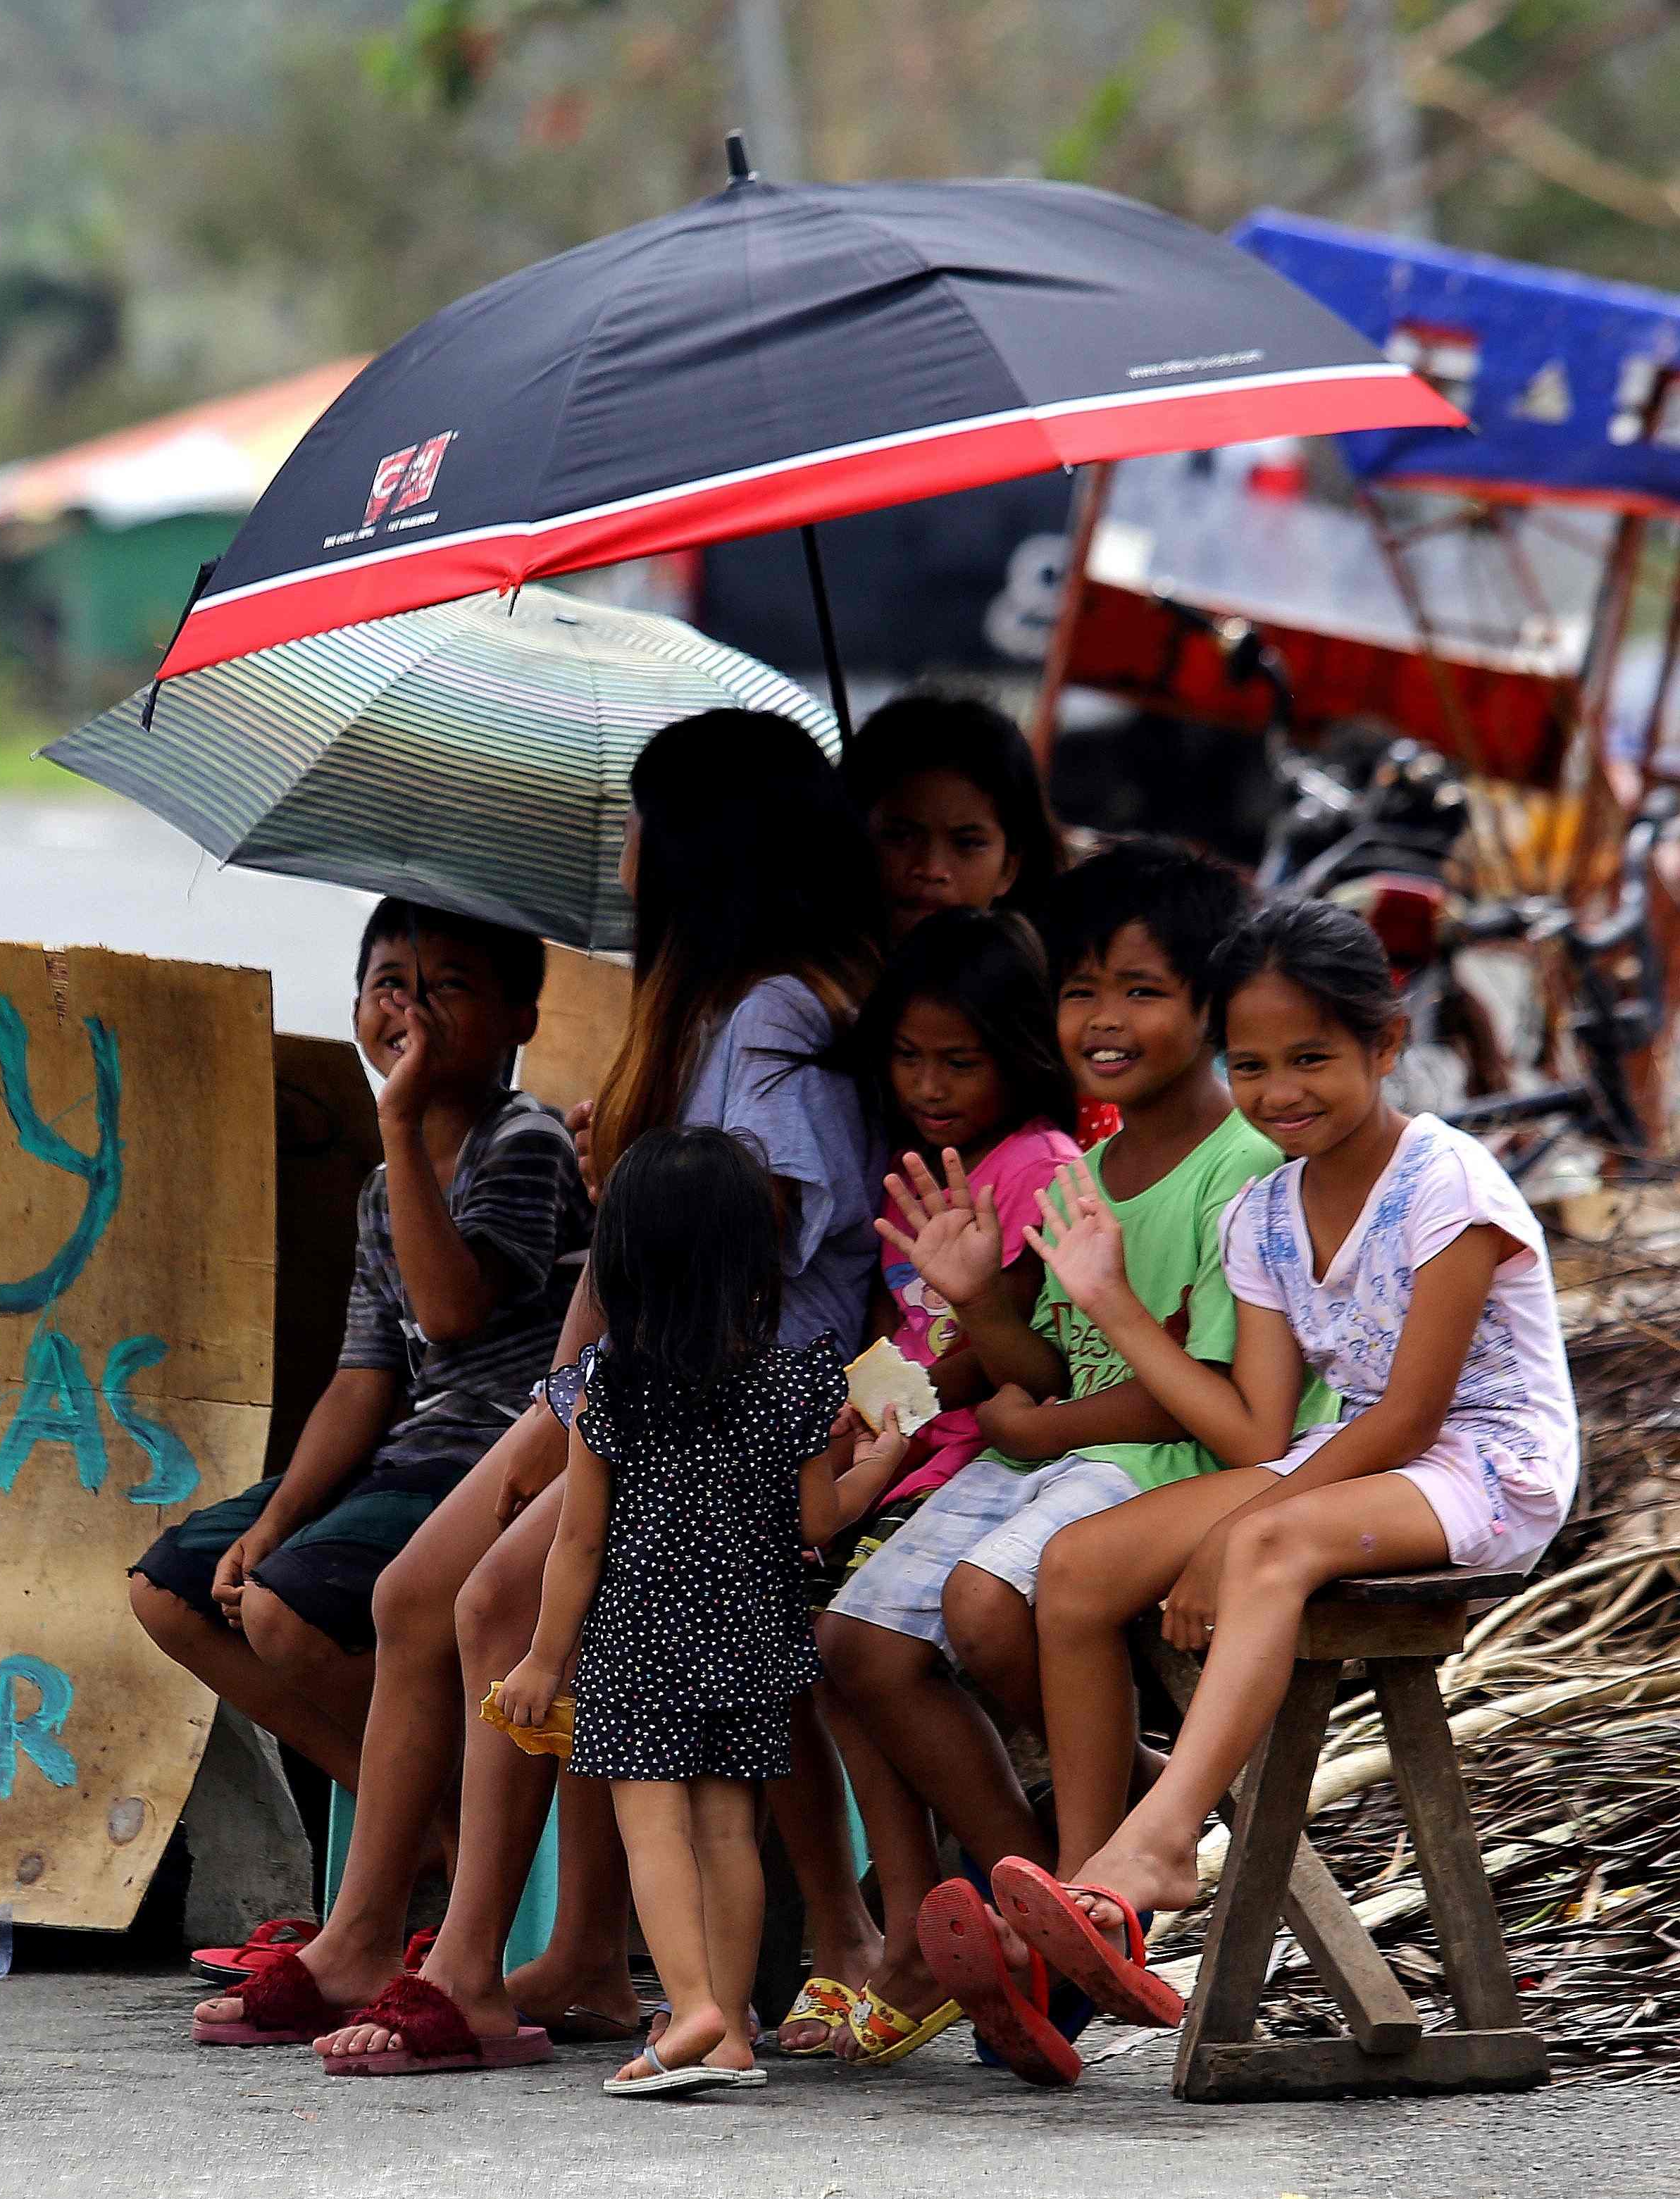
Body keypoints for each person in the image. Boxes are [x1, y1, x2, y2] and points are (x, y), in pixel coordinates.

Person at [199, 706, 887, 2072]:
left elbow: (747, 1244)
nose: (625, 848)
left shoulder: (772, 1019)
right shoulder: (697, 1017)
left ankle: (469, 1972)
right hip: (631, 1378)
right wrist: (566, 1388)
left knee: (502, 1605)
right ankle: (417, 1945)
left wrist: (625, 1228)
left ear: (699, 849)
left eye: (646, 819)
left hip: (725, 1408)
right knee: (412, 1597)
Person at [989, 897, 1581, 2033]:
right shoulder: (1261, 1210)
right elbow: (1259, 1430)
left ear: (1385, 1043)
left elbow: (1411, 1413)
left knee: (1263, 1536)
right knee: (1074, 1566)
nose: (1279, 1091)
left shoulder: (1445, 1183)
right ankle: (1089, 1898)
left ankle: (1159, 1848)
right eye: (1250, 1065)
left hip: (1484, 1459)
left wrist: (1224, 1536)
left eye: (1311, 1057)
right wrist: (1109, 1301)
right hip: (1343, 1454)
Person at [816, 837, 1298, 2079]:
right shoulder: (1084, 1168)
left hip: (1158, 1465)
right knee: (855, 1642)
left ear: (1210, 1003)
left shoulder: (1237, 1170)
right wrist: (977, 1306)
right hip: (1067, 1455)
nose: (1103, 1017)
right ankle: (1040, 1898)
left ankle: (1081, 1886)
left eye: (1141, 989)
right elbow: (1044, 1359)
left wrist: (1037, 1422)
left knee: (983, 1605)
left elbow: (1202, 1391)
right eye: (1080, 990)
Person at [130, 901, 587, 1803]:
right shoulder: (386, 1185)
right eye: (390, 987)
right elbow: (360, 1379)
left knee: (284, 1612)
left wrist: (398, 1128)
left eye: (448, 989)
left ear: (519, 1022)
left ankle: (458, 1816)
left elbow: (451, 1309)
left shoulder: (525, 1141)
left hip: (491, 1459)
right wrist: (275, 1520)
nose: (412, 1013)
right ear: (355, 1009)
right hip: (404, 1458)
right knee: (172, 1591)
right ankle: (413, 1823)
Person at [494, 1128, 916, 2096]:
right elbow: (818, 1522)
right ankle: (730, 2031)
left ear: (625, 1265)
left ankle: (691, 2011)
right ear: (754, 1261)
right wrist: (880, 1464)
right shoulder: (796, 1385)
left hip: (637, 1646)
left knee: (656, 1834)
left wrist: (544, 1662)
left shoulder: (606, 1393)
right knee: (731, 1832)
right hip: (754, 1643)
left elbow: (578, 1545)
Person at [773, 908, 1077, 2059]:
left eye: (960, 1059)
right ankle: (907, 1920)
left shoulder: (1035, 1164)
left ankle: (1013, 1894)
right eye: (910, 1057)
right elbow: (909, 1328)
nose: (931, 1083)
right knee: (824, 1652)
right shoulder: (934, 1160)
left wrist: (881, 1411)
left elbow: (989, 1342)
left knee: (856, 1649)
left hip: (982, 1458)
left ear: (1015, 1051)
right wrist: (867, 1415)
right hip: (914, 1453)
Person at [845, 685, 1067, 937]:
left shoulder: (1059, 973)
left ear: (1009, 868)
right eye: (900, 837)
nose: (931, 870)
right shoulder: (803, 975)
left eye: (967, 843)